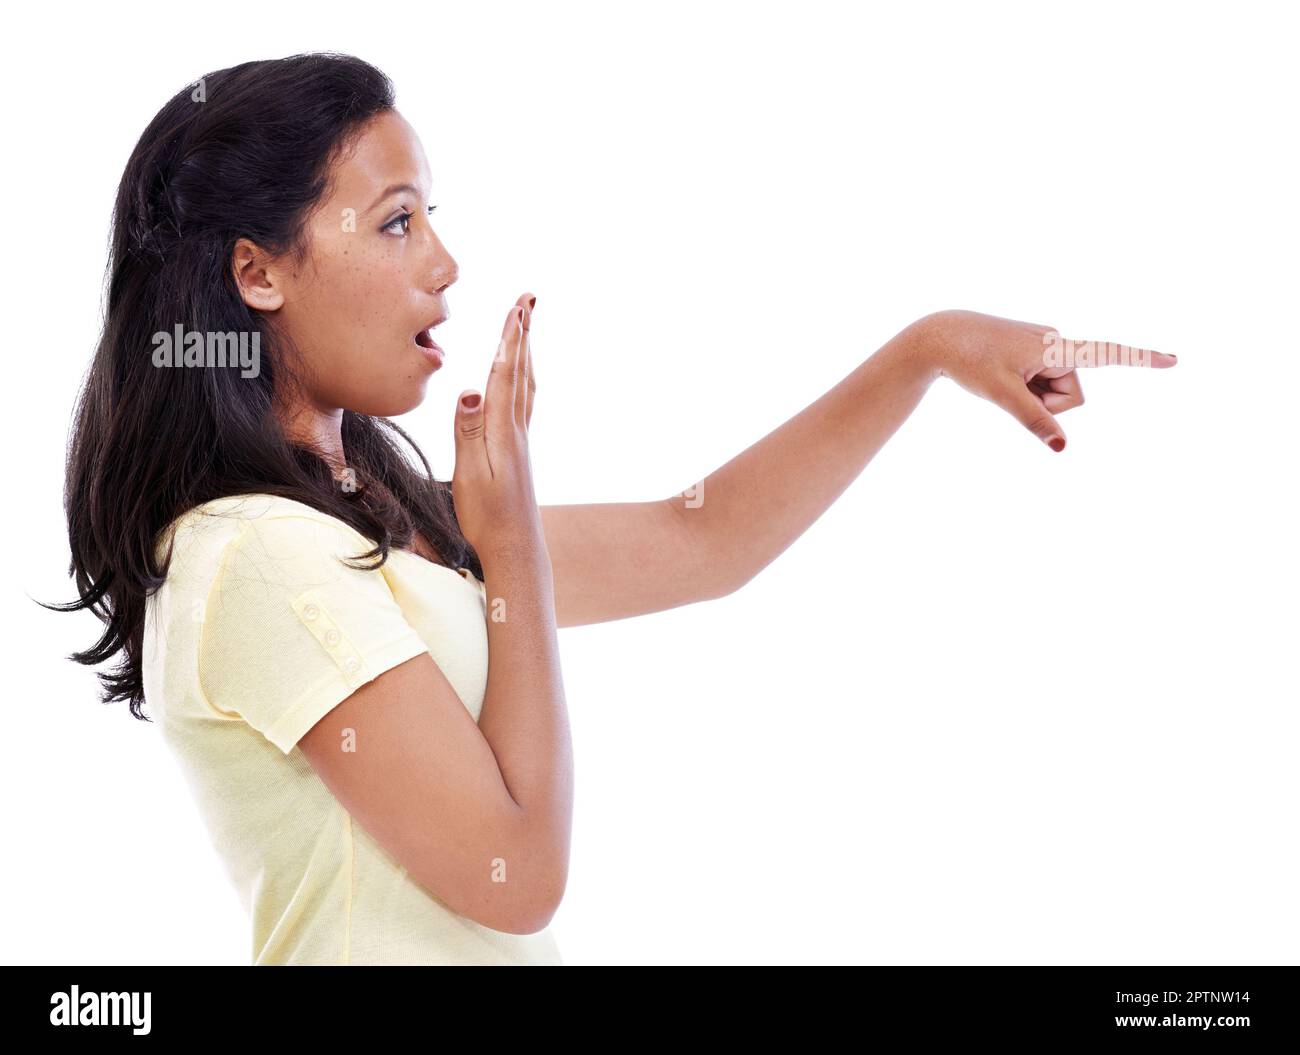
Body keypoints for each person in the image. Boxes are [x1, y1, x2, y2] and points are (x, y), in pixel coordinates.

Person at [51, 52, 1175, 966]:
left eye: (431, 216)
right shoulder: (256, 556)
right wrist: (514, 554)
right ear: (258, 272)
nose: (445, 261)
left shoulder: (370, 530)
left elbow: (705, 537)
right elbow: (516, 873)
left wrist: (930, 349)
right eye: (395, 223)